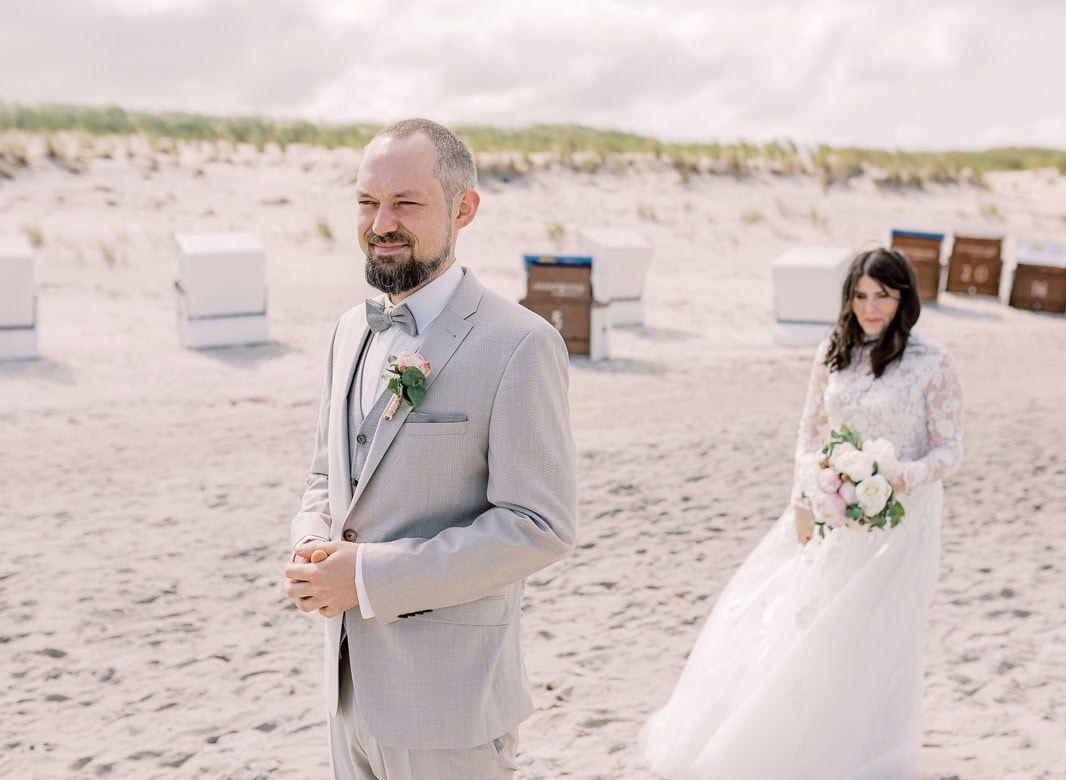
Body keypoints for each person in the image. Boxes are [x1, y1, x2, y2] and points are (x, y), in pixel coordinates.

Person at [282, 118, 576, 780]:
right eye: (367, 201)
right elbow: (328, 474)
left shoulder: (520, 344)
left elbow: (540, 528)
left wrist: (363, 576)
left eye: (406, 203)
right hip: (347, 695)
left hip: (451, 707)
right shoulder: (348, 330)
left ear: (464, 209)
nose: (381, 221)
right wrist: (310, 541)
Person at [641, 247, 963, 780]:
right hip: (832, 509)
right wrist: (802, 500)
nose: (870, 307)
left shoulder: (933, 363)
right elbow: (808, 433)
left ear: (904, 297)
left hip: (902, 523)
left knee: (880, 635)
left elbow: (950, 451)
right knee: (810, 623)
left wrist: (897, 476)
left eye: (882, 295)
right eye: (860, 296)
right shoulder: (833, 352)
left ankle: (865, 746)